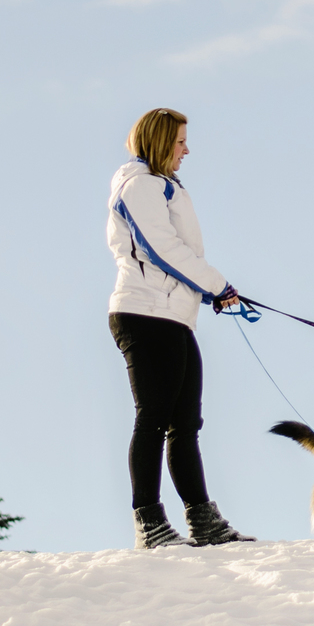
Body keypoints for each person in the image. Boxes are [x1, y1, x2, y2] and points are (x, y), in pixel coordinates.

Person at [107, 107, 251, 548]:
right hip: (144, 313)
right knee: (153, 417)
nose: (187, 150)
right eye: (179, 141)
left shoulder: (166, 187)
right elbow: (161, 248)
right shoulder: (141, 186)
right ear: (158, 141)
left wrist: (210, 293)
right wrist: (217, 284)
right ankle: (149, 522)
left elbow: (176, 254)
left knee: (185, 422)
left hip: (173, 314)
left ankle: (202, 519)